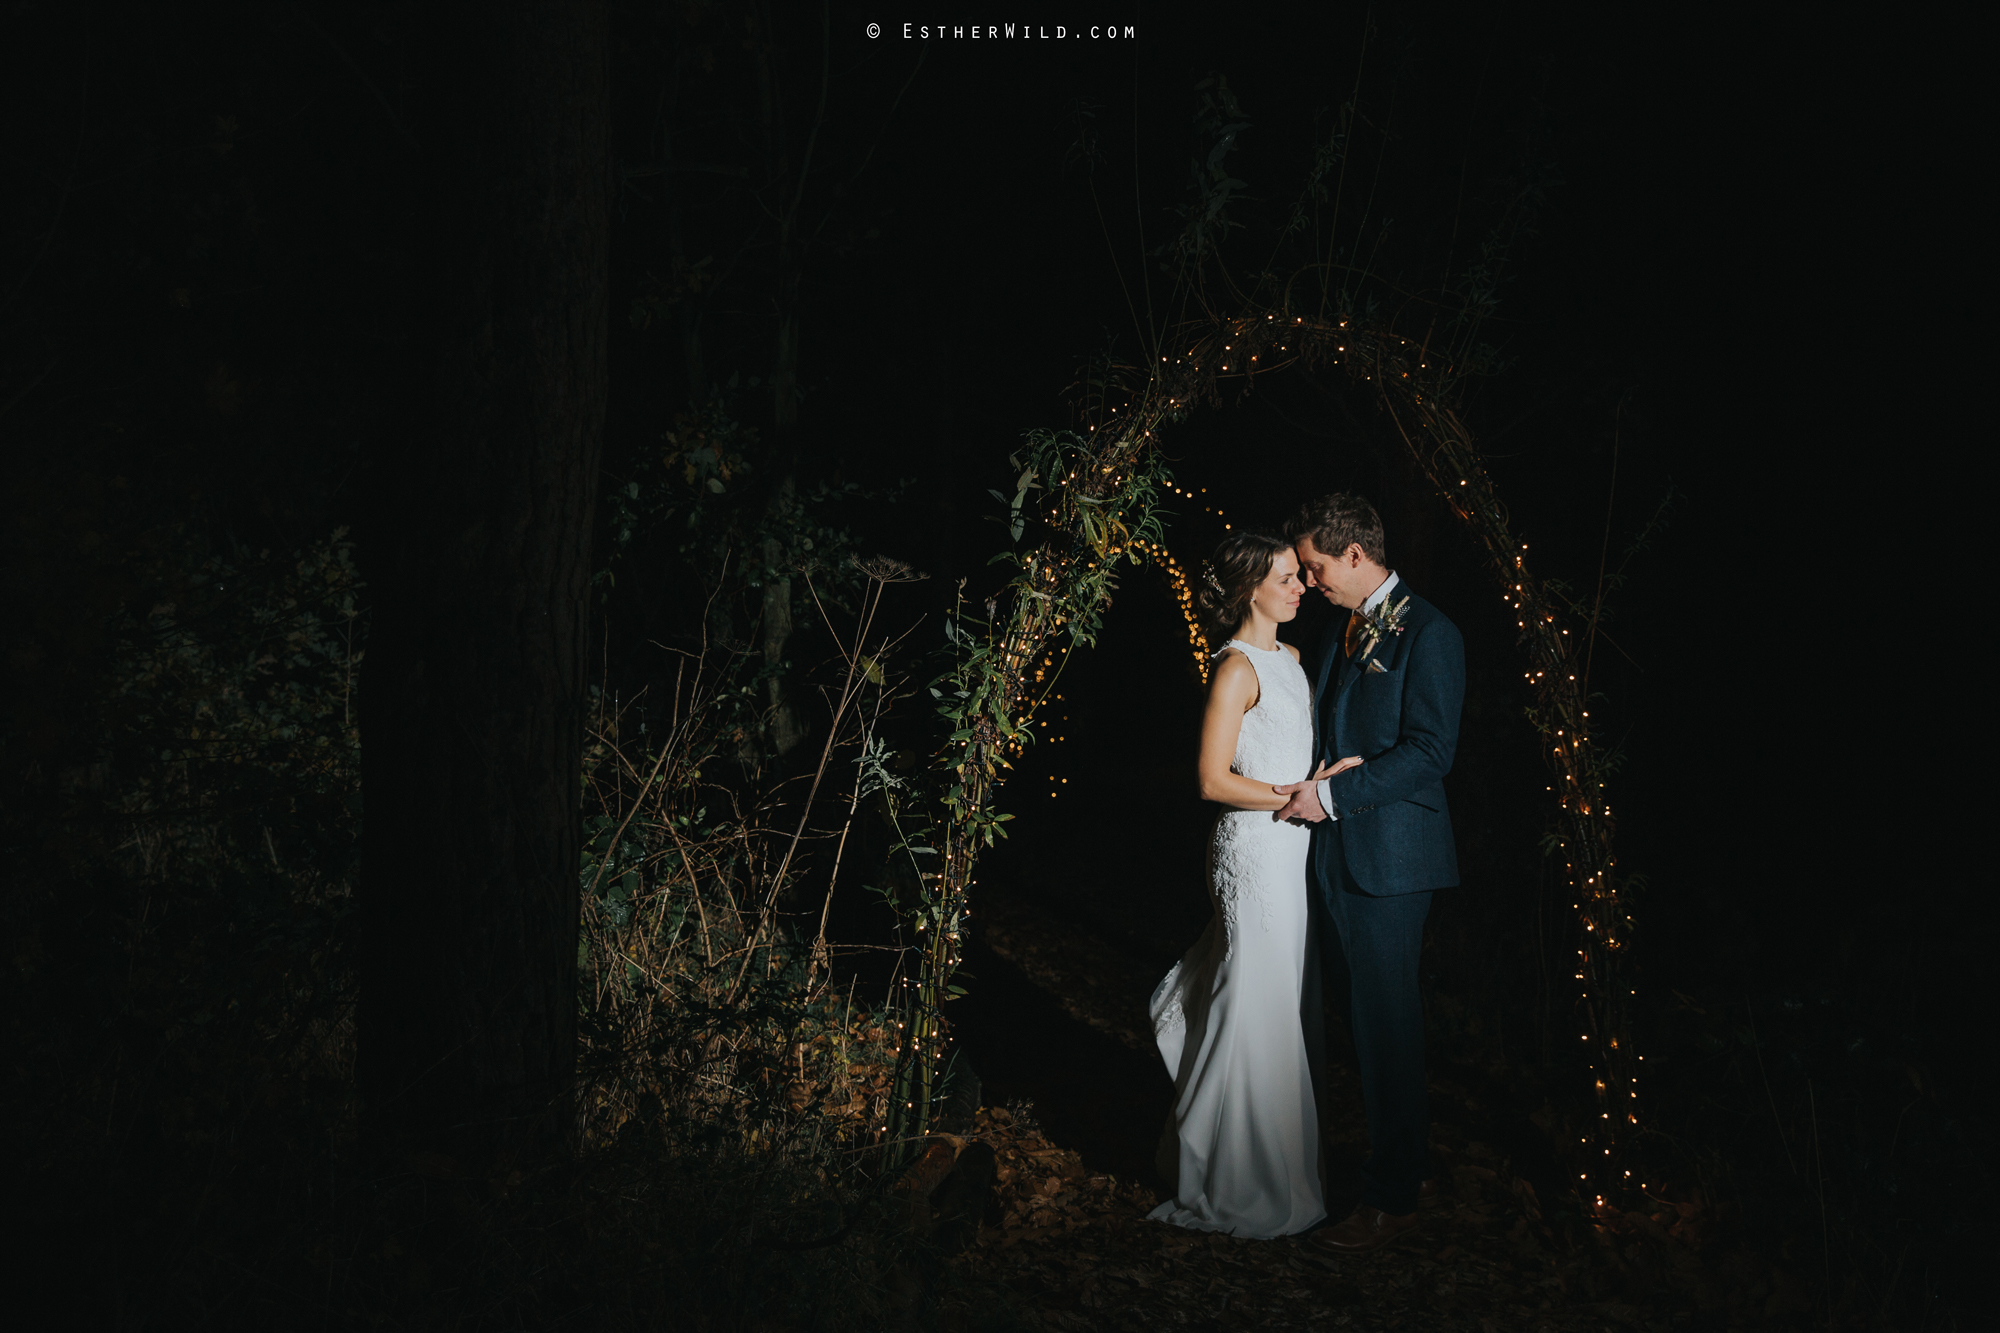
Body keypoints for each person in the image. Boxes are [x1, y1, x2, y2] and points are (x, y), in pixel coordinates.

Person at [1274, 492, 1466, 1253]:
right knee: (1364, 1023)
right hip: (1335, 851)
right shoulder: (1337, 629)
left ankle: (1391, 1199)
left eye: (1319, 567)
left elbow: (1430, 751)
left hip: (1391, 858)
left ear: (1356, 555)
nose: (1312, 580)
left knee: (1387, 1025)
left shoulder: (1433, 632)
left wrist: (1333, 794)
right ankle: (1404, 1164)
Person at [1146, 531, 1350, 1237]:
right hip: (1253, 851)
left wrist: (1311, 794)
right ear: (1248, 590)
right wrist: (1293, 793)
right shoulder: (1234, 669)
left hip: (1292, 849)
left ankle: (1281, 1170)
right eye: (1287, 577)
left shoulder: (1292, 658)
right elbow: (1210, 778)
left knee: (1280, 1001)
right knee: (1252, 999)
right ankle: (1231, 1176)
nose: (1300, 587)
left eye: (1299, 575)